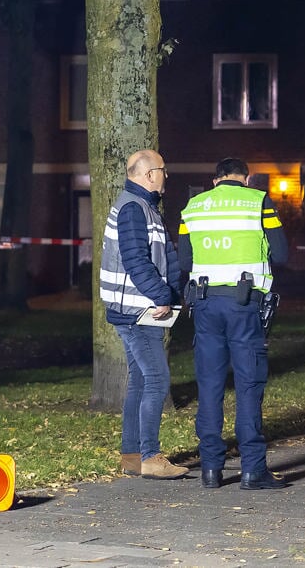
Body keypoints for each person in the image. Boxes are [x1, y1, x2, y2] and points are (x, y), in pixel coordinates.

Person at [179, 157, 289, 490]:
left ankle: (211, 470)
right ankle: (253, 470)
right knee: (248, 385)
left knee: (209, 386)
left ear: (215, 180)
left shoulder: (193, 208)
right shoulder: (258, 201)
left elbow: (185, 260)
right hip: (244, 306)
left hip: (204, 305)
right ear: (246, 177)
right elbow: (281, 254)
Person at [99, 149, 188, 480]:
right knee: (157, 379)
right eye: (163, 170)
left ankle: (132, 457)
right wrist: (162, 295)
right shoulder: (134, 209)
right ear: (150, 174)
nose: (166, 176)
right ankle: (150, 456)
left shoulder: (140, 207)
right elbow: (137, 260)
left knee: (139, 381)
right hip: (139, 310)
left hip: (133, 308)